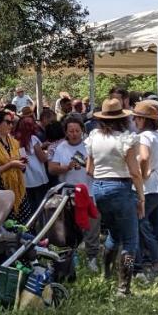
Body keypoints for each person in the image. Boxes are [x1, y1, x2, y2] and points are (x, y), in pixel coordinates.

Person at [86, 98, 145, 297]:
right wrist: (141, 197)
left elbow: (89, 169)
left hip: (99, 188)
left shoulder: (94, 136)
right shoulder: (125, 139)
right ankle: (123, 287)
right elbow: (135, 171)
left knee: (113, 235)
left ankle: (107, 273)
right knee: (130, 241)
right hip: (121, 186)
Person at [50, 116, 102, 271]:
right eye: (71, 131)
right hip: (69, 194)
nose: (74, 134)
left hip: (90, 192)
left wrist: (88, 166)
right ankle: (73, 258)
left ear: (82, 131)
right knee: (71, 228)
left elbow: (99, 168)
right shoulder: (61, 148)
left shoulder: (89, 146)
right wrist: (66, 167)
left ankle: (92, 257)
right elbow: (52, 169)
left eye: (77, 131)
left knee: (92, 227)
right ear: (65, 132)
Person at [134, 100, 158, 278]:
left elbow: (143, 157)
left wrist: (142, 175)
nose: (135, 121)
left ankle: (149, 262)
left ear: (143, 120)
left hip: (149, 188)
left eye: (136, 118)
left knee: (138, 226)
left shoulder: (144, 136)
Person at [0, 111, 29, 221]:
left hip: (18, 189)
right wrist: (11, 164)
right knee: (8, 225)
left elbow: (23, 167)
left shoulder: (15, 142)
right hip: (2, 190)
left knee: (25, 224)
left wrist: (23, 164)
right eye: (8, 122)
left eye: (12, 123)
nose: (11, 125)